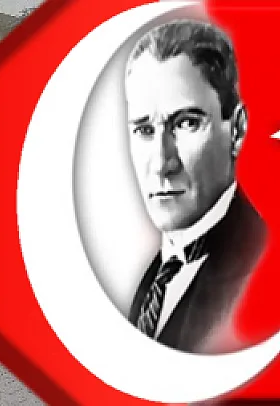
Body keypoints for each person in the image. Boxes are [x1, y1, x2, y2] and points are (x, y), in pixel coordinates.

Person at [123, 20, 266, 354]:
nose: (162, 163)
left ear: (236, 129)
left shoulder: (262, 270)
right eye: (144, 130)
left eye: (186, 123)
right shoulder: (155, 278)